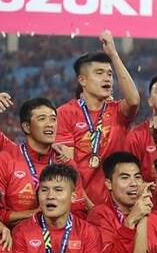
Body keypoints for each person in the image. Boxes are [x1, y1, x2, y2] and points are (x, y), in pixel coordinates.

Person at [56, 30, 140, 206]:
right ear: (82, 81)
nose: (107, 78)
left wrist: (114, 55)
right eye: (99, 73)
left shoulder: (118, 111)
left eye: (109, 74)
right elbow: (67, 165)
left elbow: (133, 100)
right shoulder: (65, 113)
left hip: (116, 207)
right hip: (80, 205)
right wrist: (88, 206)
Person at [0, 98, 87, 226]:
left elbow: (78, 211)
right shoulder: (4, 161)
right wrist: (35, 213)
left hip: (59, 235)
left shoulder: (66, 164)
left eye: (53, 119)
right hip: (14, 235)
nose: (50, 124)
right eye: (42, 119)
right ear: (26, 127)